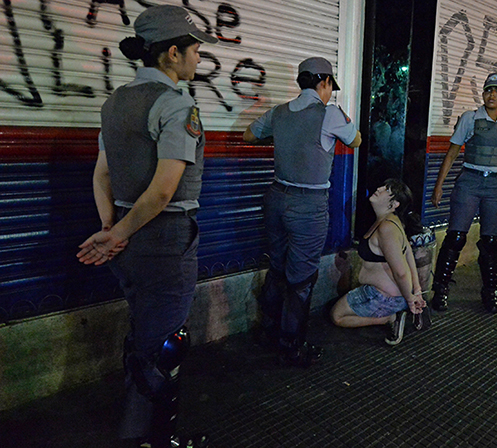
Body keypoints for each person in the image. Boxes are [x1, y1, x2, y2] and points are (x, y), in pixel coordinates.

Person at [76, 5, 216, 448]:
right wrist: (117, 234)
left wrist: (111, 228)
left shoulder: (114, 102)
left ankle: (140, 432)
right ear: (172, 54)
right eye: (194, 50)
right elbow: (162, 192)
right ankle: (152, 440)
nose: (199, 58)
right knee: (166, 344)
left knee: (144, 333)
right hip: (164, 237)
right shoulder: (176, 105)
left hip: (126, 233)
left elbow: (102, 174)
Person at [243, 57, 362, 367]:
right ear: (323, 83)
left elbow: (249, 135)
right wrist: (343, 120)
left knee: (278, 267)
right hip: (308, 205)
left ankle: (268, 331)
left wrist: (283, 138)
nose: (329, 94)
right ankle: (291, 345)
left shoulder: (279, 112)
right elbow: (357, 140)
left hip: (276, 198)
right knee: (302, 277)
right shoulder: (330, 114)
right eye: (329, 87)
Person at [429, 72, 497, 314]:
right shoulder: (470, 118)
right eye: (488, 90)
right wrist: (439, 185)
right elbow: (452, 153)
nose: (492, 94)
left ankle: (490, 293)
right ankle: (440, 290)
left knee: (492, 242)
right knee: (455, 236)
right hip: (470, 181)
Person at [330, 179, 427, 345]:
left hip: (385, 296)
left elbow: (401, 272)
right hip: (387, 293)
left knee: (337, 316)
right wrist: (416, 290)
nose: (379, 188)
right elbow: (408, 252)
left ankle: (389, 318)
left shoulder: (386, 228)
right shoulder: (391, 221)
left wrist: (411, 299)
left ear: (394, 203)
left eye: (386, 189)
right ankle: (394, 312)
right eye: (382, 186)